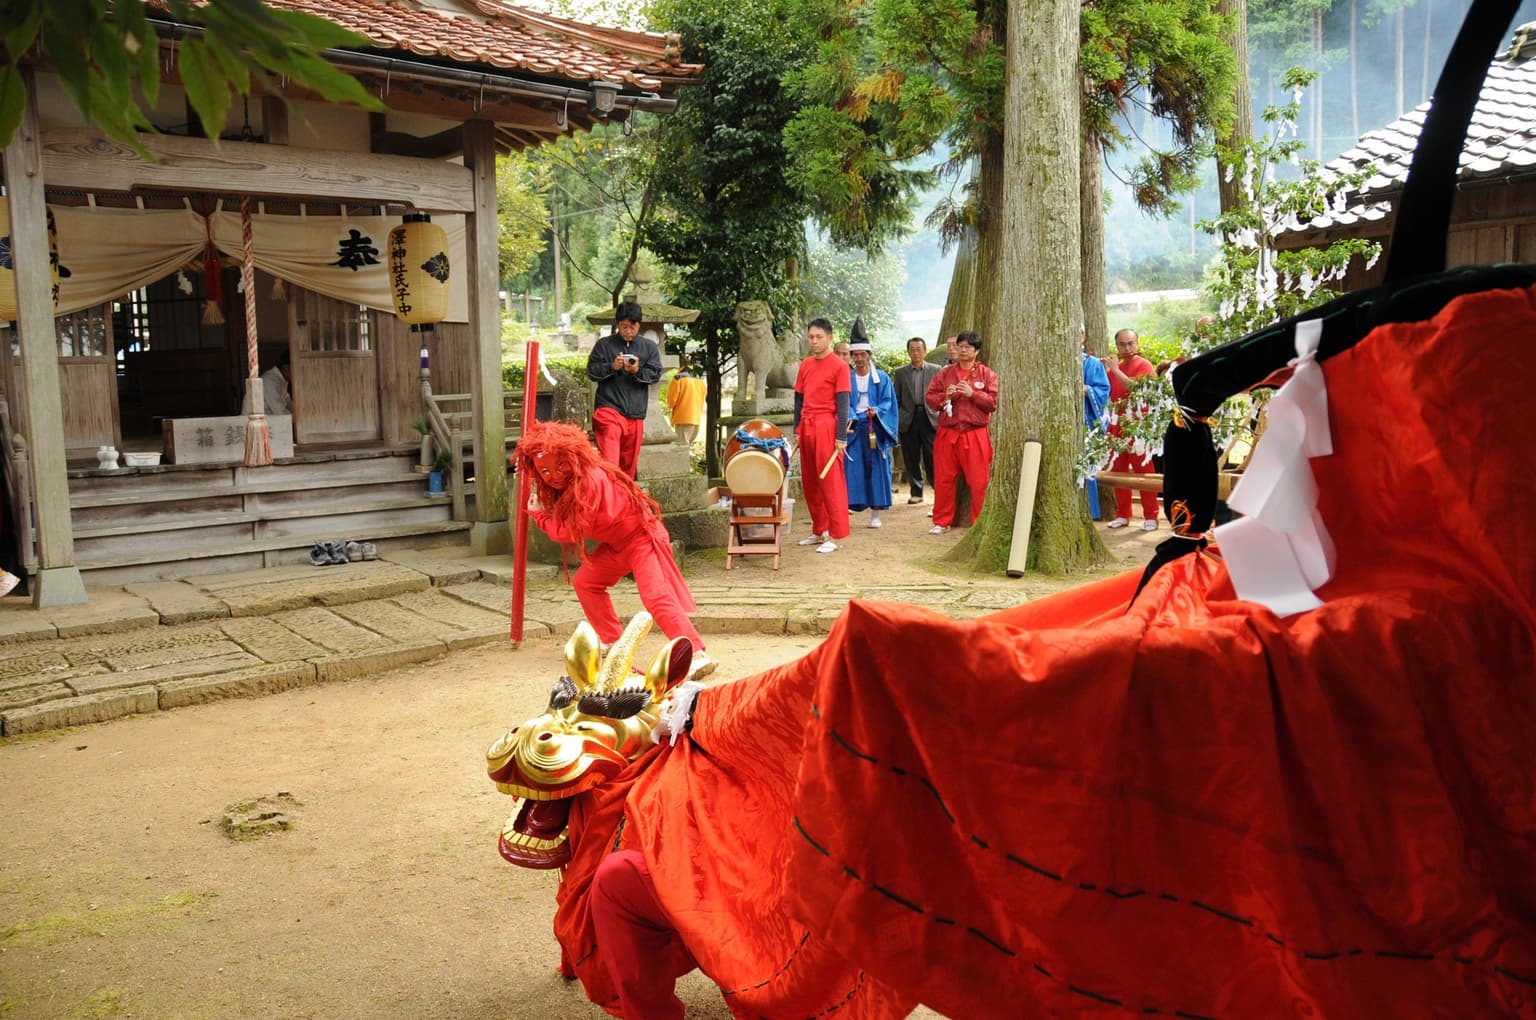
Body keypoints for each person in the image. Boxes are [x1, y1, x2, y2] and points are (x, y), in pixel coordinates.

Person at [516, 421, 711, 674]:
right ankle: (614, 641)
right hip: (617, 545)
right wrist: (534, 484)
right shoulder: (570, 484)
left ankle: (696, 652)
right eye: (545, 470)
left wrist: (540, 516)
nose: (555, 475)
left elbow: (569, 531)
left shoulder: (590, 481)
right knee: (586, 582)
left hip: (642, 538)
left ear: (574, 457)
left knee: (656, 596)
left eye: (561, 465)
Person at [924, 331, 999, 534]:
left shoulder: (986, 374)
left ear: (976, 351)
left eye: (968, 347)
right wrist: (945, 396)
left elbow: (992, 403)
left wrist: (973, 394)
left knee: (979, 480)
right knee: (944, 478)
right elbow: (930, 397)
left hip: (975, 433)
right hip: (948, 431)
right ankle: (941, 521)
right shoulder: (945, 373)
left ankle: (978, 522)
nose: (963, 350)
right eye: (960, 346)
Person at [791, 318, 850, 554]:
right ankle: (819, 530)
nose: (814, 341)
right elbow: (798, 400)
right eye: (811, 337)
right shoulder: (805, 365)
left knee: (831, 481)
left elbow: (843, 404)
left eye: (819, 337)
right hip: (806, 425)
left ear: (829, 338)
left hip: (827, 425)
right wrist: (796, 430)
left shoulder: (839, 366)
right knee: (811, 481)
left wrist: (841, 437)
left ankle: (836, 534)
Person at [587, 301, 662, 476]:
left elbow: (655, 374)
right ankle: (610, 490)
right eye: (624, 327)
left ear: (639, 325)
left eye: (632, 327)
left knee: (628, 467)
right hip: (609, 409)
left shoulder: (649, 347)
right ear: (618, 324)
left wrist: (637, 370)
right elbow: (592, 371)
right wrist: (612, 367)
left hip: (635, 413)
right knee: (611, 463)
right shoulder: (604, 345)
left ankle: (623, 493)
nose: (628, 331)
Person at [1101, 327, 1160, 531]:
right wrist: (1107, 370)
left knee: (1144, 472)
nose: (1126, 348)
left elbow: (1137, 389)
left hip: (1138, 425)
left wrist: (1115, 370)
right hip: (1116, 424)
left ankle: (1151, 515)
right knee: (1118, 470)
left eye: (1130, 343)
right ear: (1116, 345)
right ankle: (1123, 514)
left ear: (1137, 343)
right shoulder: (1114, 367)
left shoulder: (1144, 365)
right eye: (1122, 344)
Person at [843, 340, 899, 528]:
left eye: (863, 354)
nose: (859, 358)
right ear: (851, 356)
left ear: (869, 355)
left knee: (877, 469)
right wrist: (852, 416)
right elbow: (844, 402)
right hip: (854, 427)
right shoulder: (846, 377)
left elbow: (888, 401)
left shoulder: (881, 378)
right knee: (852, 468)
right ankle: (849, 507)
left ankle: (875, 514)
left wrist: (876, 410)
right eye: (855, 354)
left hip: (875, 426)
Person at [892, 336, 940, 504]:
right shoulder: (900, 372)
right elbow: (896, 397)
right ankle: (916, 491)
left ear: (925, 351)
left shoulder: (936, 370)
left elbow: (940, 393)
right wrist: (899, 417)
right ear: (908, 352)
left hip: (929, 416)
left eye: (919, 349)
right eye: (912, 350)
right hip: (909, 418)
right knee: (911, 456)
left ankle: (937, 489)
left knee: (932, 455)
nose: (916, 353)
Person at [1081, 326, 1111, 519]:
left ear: (1083, 336)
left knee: (1086, 467)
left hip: (1087, 423)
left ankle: (1090, 511)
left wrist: (1087, 390)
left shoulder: (1092, 364)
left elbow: (1103, 392)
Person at [663, 360, 706, 446]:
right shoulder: (700, 380)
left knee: (682, 446)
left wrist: (670, 406)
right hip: (696, 418)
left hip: (682, 418)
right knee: (687, 445)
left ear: (680, 366)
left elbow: (671, 401)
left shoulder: (678, 378)